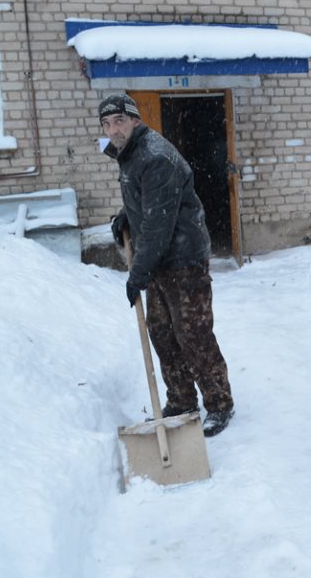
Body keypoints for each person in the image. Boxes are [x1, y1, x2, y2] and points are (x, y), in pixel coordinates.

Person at [99, 93, 234, 437]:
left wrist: (137, 274)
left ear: (135, 121)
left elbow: (159, 224)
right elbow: (144, 202)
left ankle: (219, 403)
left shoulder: (155, 157)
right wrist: (125, 216)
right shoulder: (131, 154)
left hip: (183, 259)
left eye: (119, 121)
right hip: (160, 260)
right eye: (107, 123)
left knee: (192, 335)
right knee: (162, 333)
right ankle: (182, 400)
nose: (113, 129)